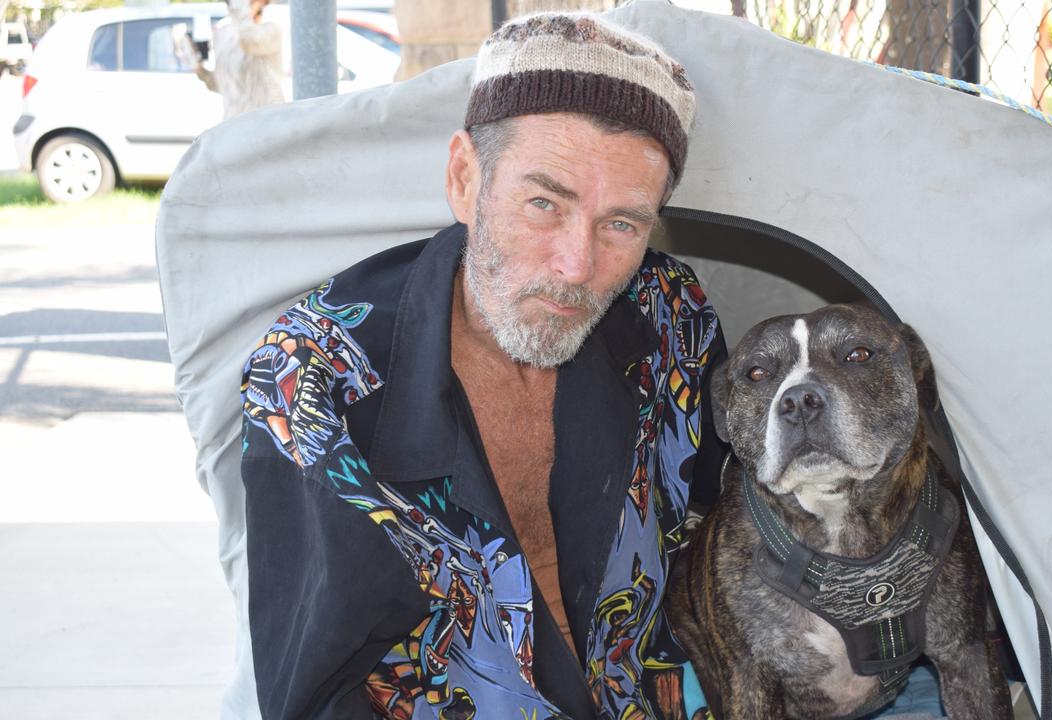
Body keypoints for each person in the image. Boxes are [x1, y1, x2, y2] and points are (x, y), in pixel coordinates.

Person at [238, 12, 724, 719]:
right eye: (542, 203)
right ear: (466, 179)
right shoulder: (314, 376)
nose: (575, 266)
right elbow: (317, 689)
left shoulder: (670, 315)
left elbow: (731, 538)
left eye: (621, 223)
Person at [194, 0, 285, 119]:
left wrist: (241, 9)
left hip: (266, 124)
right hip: (233, 125)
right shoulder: (224, 32)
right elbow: (223, 85)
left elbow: (248, 40)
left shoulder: (272, 28)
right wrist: (201, 71)